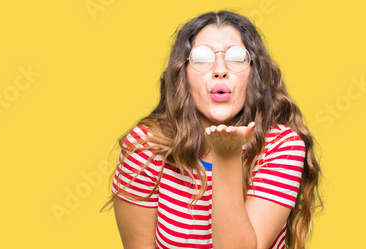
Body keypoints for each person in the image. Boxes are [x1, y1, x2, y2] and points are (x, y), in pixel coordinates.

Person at [103, 10, 322, 249]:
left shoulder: (282, 145)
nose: (220, 70)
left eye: (237, 57)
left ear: (254, 74)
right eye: (201, 58)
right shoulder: (146, 146)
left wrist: (226, 155)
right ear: (182, 74)